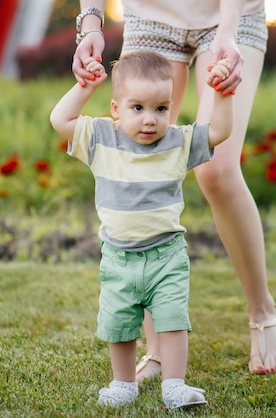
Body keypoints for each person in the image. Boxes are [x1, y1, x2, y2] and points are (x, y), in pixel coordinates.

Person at [71, 0, 276, 381]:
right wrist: (90, 25)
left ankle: (262, 311)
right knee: (141, 155)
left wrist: (228, 30)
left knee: (216, 168)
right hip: (152, 15)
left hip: (229, 15)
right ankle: (157, 351)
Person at [50, 50, 233, 408]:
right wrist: (85, 86)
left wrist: (223, 93)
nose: (150, 120)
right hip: (118, 257)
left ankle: (174, 385)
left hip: (167, 256)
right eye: (138, 108)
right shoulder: (102, 136)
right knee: (119, 324)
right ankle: (123, 384)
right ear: (117, 109)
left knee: (172, 320)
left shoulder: (178, 141)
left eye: (161, 109)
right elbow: (59, 119)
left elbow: (221, 130)